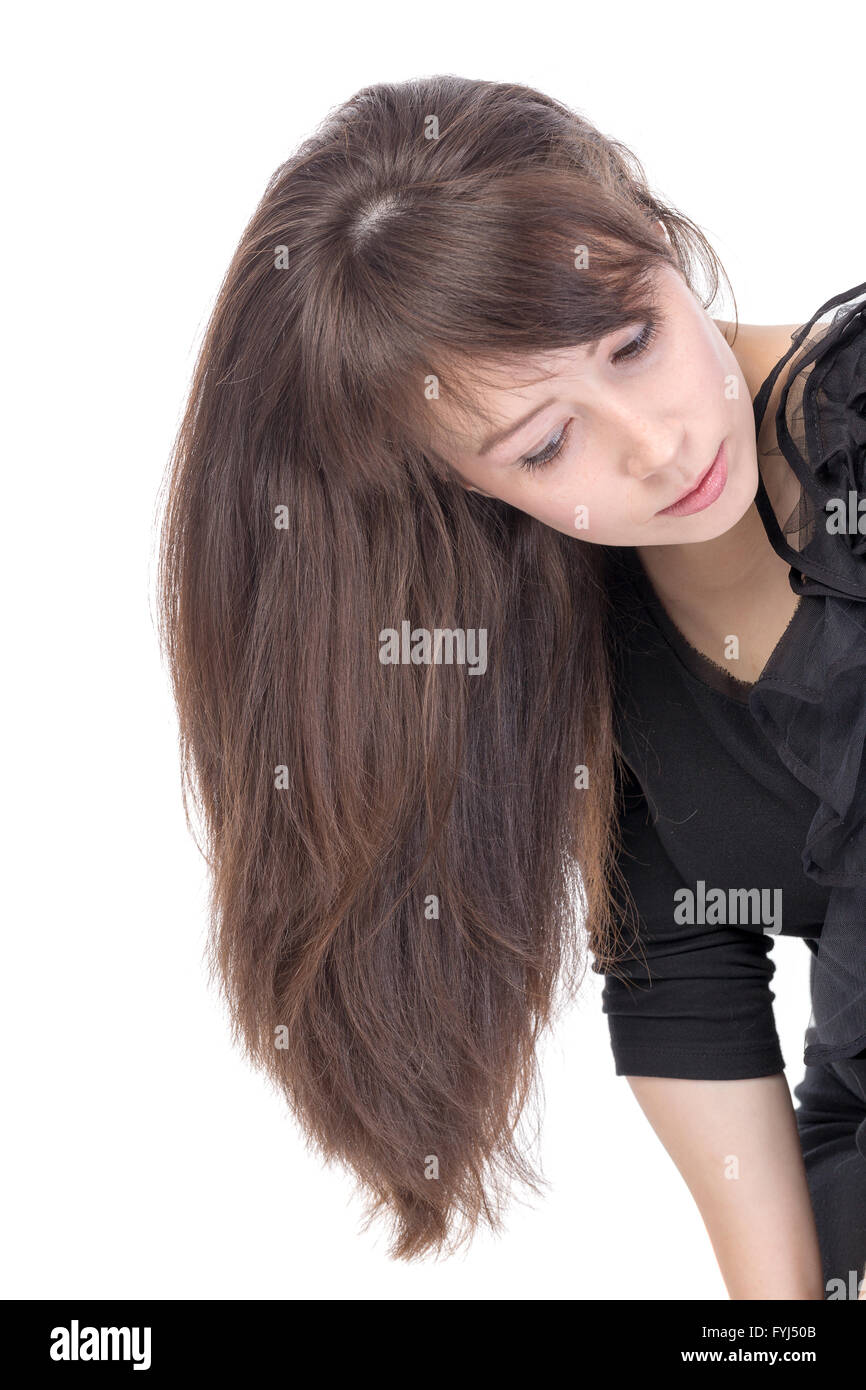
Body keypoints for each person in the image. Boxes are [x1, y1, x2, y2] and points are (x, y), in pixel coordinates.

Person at [158, 73, 866, 1294]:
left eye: (633, 339)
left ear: (654, 232)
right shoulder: (581, 643)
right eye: (544, 443)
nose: (655, 442)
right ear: (457, 488)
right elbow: (680, 969)